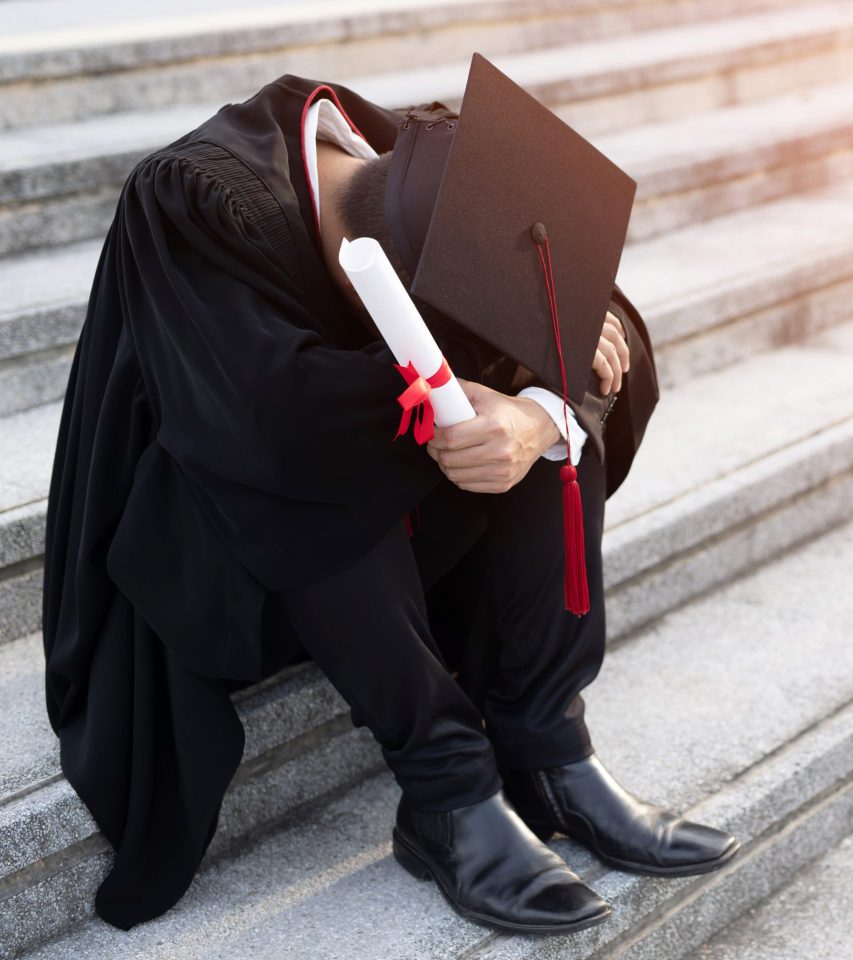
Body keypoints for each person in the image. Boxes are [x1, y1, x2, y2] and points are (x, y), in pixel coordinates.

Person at [41, 74, 739, 938]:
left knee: (553, 400)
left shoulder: (440, 161)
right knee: (312, 453)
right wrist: (453, 385)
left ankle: (548, 749)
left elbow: (609, 325)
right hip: (221, 542)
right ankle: (448, 795)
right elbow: (252, 418)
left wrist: (529, 414)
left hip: (385, 537)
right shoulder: (190, 200)